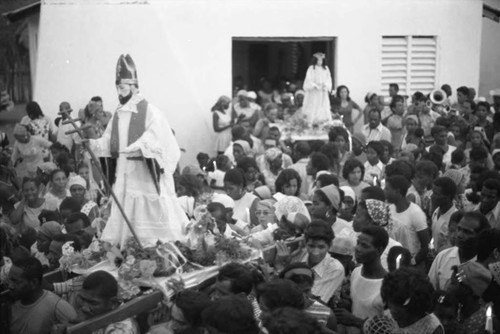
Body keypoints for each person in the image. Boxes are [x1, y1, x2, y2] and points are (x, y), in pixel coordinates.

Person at [88, 54, 188, 247]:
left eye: (122, 87)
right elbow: (110, 140)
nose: (119, 91)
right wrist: (93, 144)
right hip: (125, 172)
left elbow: (158, 135)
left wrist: (140, 146)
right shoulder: (118, 113)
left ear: (134, 87)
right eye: (117, 87)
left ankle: (157, 246)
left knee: (150, 210)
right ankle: (129, 247)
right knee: (126, 209)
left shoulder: (150, 111)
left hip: (145, 173)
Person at [334, 226, 389, 333]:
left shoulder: (388, 286)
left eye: (364, 246)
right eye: (358, 243)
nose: (358, 248)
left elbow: (388, 329)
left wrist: (355, 321)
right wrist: (348, 304)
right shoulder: (356, 272)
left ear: (379, 250)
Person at [278, 220, 345, 303]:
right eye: (311, 246)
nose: (315, 252)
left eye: (321, 247)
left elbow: (310, 302)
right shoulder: (298, 254)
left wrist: (280, 267)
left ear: (330, 245)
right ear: (305, 243)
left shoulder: (335, 269)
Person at [9, 257, 77, 334]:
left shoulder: (56, 306)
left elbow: (78, 328)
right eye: (9, 280)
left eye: (16, 282)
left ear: (34, 283)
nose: (10, 286)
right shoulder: (10, 303)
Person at [428, 211, 490, 291]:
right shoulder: (443, 256)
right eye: (459, 229)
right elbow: (430, 289)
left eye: (467, 232)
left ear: (480, 235)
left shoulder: (485, 265)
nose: (459, 235)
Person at [385, 175, 430, 270]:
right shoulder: (390, 209)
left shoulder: (415, 213)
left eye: (387, 189)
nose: (385, 191)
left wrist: (413, 262)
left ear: (397, 191)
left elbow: (426, 245)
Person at [381, 268, 443, 334]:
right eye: (391, 302)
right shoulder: (387, 318)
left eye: (401, 303)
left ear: (416, 304)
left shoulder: (431, 327)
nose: (393, 309)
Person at [74, 270, 139, 333]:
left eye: (93, 303)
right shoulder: (100, 315)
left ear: (113, 302)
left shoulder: (119, 331)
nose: (84, 308)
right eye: (83, 299)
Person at [279, 263, 338, 331]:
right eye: (296, 291)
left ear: (311, 287)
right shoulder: (274, 309)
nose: (303, 297)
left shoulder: (326, 314)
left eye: (306, 291)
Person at [352, 199, 402, 271]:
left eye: (357, 215)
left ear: (370, 221)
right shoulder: (356, 238)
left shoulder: (392, 248)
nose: (354, 218)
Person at [302, 52, 333, 124]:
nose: (320, 62)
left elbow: (329, 79)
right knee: (313, 105)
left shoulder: (326, 69)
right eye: (318, 60)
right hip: (314, 91)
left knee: (323, 105)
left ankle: (323, 120)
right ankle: (311, 120)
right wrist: (314, 85)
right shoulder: (311, 68)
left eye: (321, 60)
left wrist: (325, 85)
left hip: (322, 91)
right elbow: (308, 79)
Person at [431, 177, 458, 253]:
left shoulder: (455, 219)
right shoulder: (436, 211)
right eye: (433, 192)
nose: (432, 196)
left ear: (448, 196)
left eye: (436, 194)